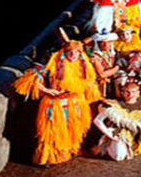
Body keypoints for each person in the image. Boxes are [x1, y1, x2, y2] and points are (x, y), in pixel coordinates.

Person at [12, 37, 102, 165]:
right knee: (52, 131)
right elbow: (33, 78)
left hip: (75, 102)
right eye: (70, 52)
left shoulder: (84, 65)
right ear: (64, 52)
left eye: (76, 52)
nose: (73, 55)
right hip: (55, 103)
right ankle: (49, 157)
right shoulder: (54, 63)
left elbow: (89, 82)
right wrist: (47, 90)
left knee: (73, 128)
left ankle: (67, 151)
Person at [93, 76, 141, 161]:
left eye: (133, 92)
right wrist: (111, 136)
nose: (130, 95)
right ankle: (111, 147)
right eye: (127, 92)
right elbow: (97, 120)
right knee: (118, 157)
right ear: (122, 92)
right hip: (122, 134)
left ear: (138, 92)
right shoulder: (115, 105)